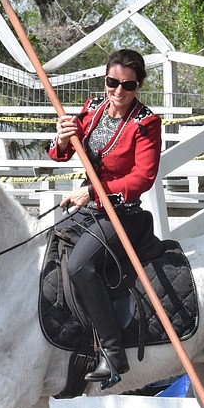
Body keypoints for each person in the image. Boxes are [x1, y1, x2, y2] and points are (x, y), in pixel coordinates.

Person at [48, 48, 162, 389]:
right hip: (91, 208)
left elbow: (143, 178)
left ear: (138, 85)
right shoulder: (92, 107)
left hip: (122, 213)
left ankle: (113, 353)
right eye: (112, 82)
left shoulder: (147, 123)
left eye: (127, 85)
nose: (118, 91)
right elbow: (61, 154)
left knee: (80, 266)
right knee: (48, 250)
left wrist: (93, 193)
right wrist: (62, 136)